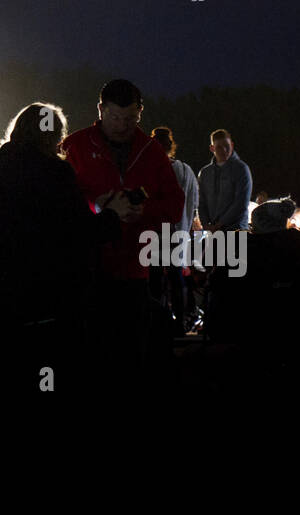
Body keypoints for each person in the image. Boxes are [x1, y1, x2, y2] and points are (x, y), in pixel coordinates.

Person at [0, 103, 120, 389]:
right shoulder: (57, 175)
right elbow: (78, 232)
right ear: (54, 137)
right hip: (52, 302)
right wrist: (113, 216)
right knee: (52, 385)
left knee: (13, 380)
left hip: (5, 306)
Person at [60, 79, 185, 377]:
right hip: (87, 269)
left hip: (135, 269)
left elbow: (175, 204)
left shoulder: (151, 151)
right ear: (100, 109)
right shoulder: (74, 146)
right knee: (90, 351)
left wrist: (144, 211)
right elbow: (58, 204)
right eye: (115, 117)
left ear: (140, 113)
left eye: (130, 119)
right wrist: (96, 205)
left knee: (131, 352)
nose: (121, 126)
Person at [150, 126, 199, 336]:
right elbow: (193, 202)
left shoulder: (150, 170)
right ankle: (179, 322)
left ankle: (157, 323)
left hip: (156, 231)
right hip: (178, 231)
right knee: (175, 277)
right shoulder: (186, 170)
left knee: (156, 280)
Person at [197, 129, 252, 231]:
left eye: (227, 146)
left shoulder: (241, 169)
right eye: (219, 147)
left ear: (232, 145)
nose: (224, 150)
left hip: (237, 229)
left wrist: (219, 224)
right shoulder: (205, 173)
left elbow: (241, 203)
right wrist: (205, 224)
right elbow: (201, 202)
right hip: (213, 231)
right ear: (212, 148)